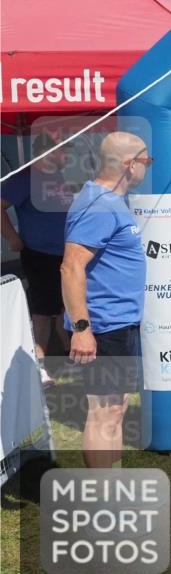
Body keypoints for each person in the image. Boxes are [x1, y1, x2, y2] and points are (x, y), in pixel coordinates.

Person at [61, 132, 150, 468]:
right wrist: (82, 328)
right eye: (146, 160)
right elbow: (70, 267)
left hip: (119, 322)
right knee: (104, 412)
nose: (148, 166)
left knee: (117, 407)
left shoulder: (109, 200)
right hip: (104, 325)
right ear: (129, 165)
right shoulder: (97, 205)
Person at [2, 133, 74, 386]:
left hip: (65, 253)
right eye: (63, 151)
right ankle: (39, 366)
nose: (67, 156)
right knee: (43, 311)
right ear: (48, 153)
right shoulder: (25, 178)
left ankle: (68, 358)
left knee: (65, 306)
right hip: (39, 254)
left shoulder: (60, 178)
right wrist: (12, 237)